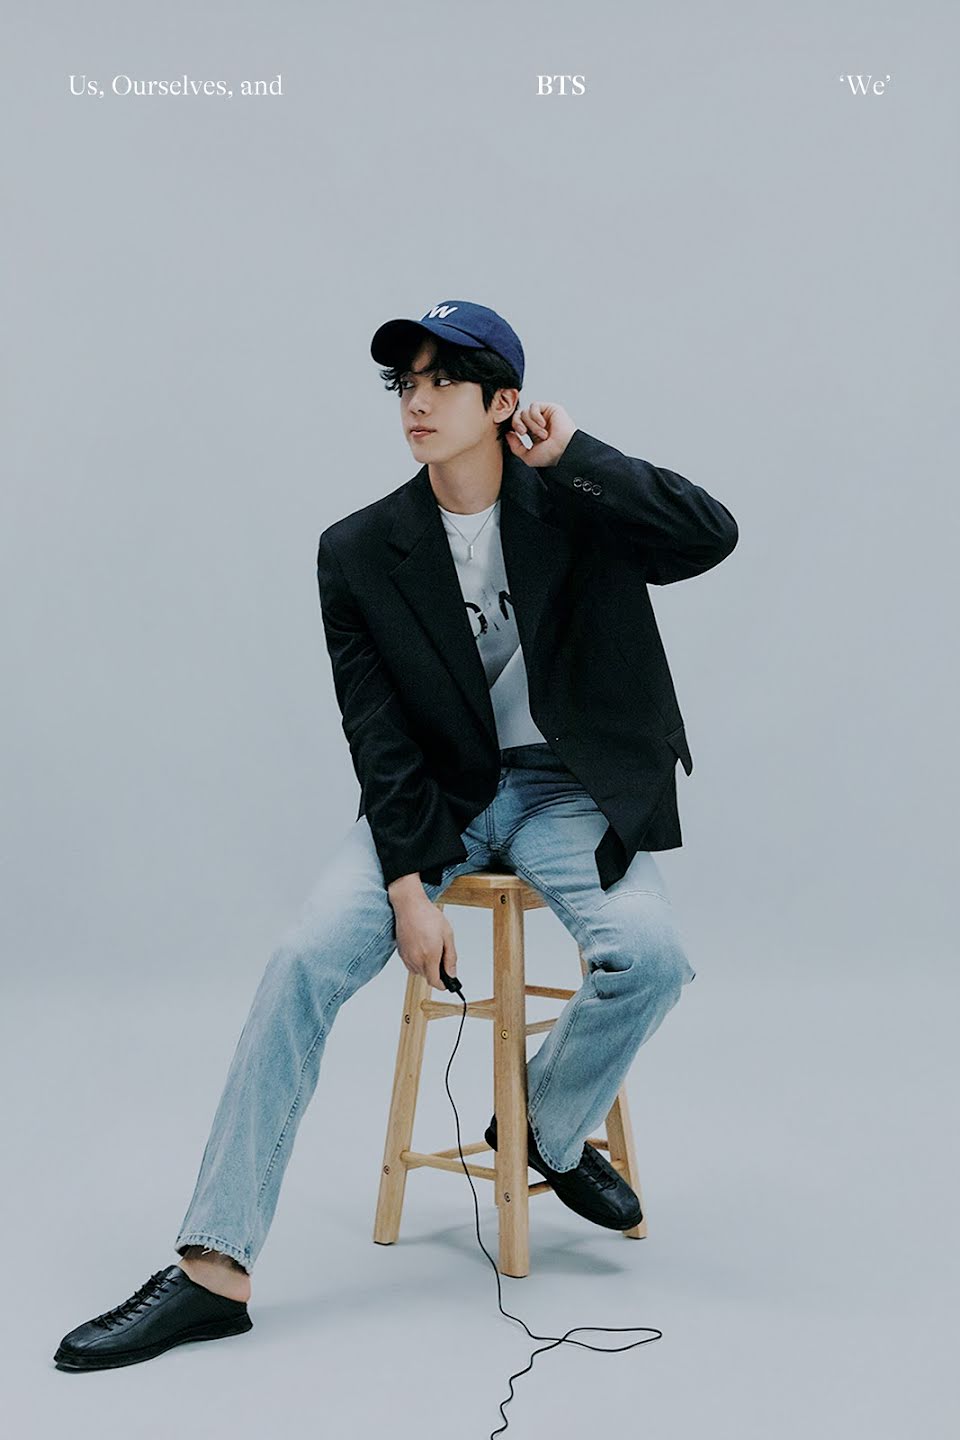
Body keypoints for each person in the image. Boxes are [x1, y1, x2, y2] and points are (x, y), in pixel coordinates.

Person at [53, 300, 739, 1372]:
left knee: (651, 960)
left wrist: (575, 456)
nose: (416, 402)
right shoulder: (360, 550)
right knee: (300, 961)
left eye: (441, 381)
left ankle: (542, 1126)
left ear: (503, 402)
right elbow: (376, 735)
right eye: (404, 385)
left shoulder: (579, 500)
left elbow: (710, 534)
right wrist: (409, 887)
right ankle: (212, 1269)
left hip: (569, 793)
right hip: (437, 804)